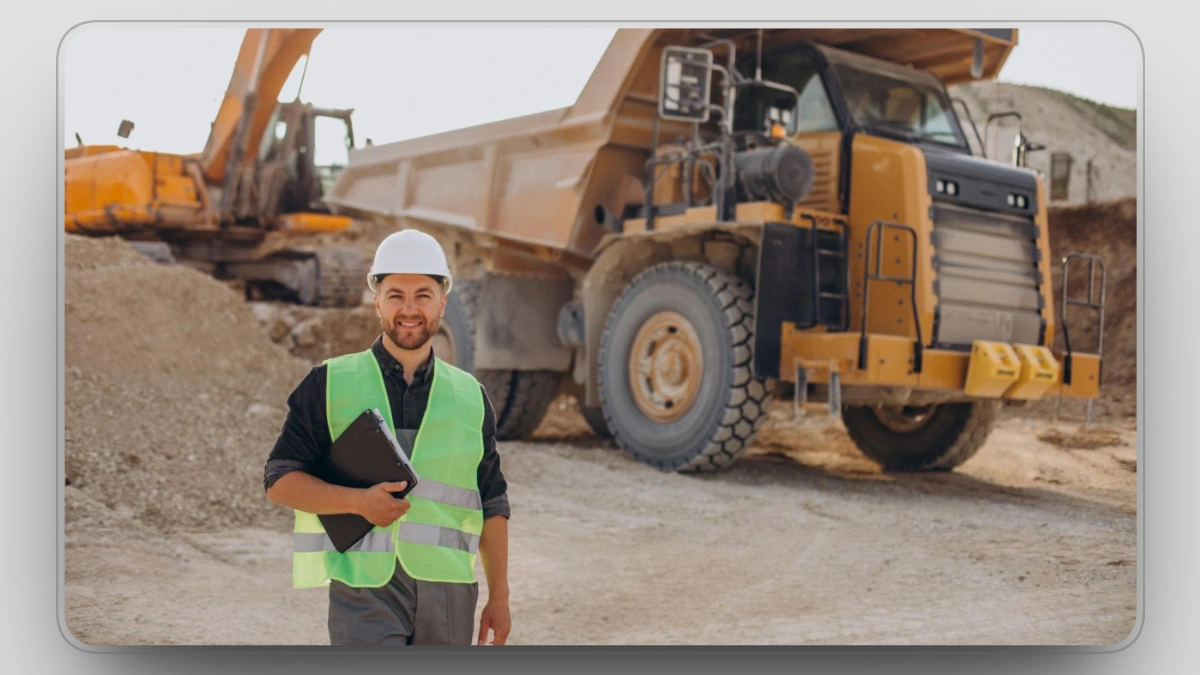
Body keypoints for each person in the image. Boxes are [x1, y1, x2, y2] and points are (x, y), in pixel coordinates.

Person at [263, 229, 511, 646]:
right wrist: (358, 503)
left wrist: (500, 596)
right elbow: (279, 479)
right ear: (376, 299)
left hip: (449, 590)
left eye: (423, 295)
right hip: (365, 591)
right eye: (396, 294)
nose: (409, 309)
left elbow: (492, 502)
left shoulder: (471, 395)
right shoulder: (329, 382)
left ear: (443, 302)